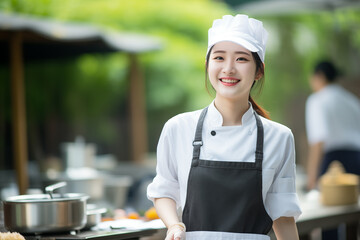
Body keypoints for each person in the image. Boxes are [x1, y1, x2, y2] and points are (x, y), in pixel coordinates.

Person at [147, 14, 302, 240]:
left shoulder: (279, 137)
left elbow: (284, 217)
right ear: (208, 65)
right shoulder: (178, 128)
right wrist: (174, 226)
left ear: (259, 71)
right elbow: (164, 190)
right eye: (219, 58)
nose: (228, 68)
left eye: (241, 59)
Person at [305, 61, 360, 240]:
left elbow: (318, 141)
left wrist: (312, 179)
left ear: (319, 76)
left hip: (334, 162)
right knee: (354, 214)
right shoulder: (351, 100)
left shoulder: (317, 99)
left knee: (327, 216)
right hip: (357, 158)